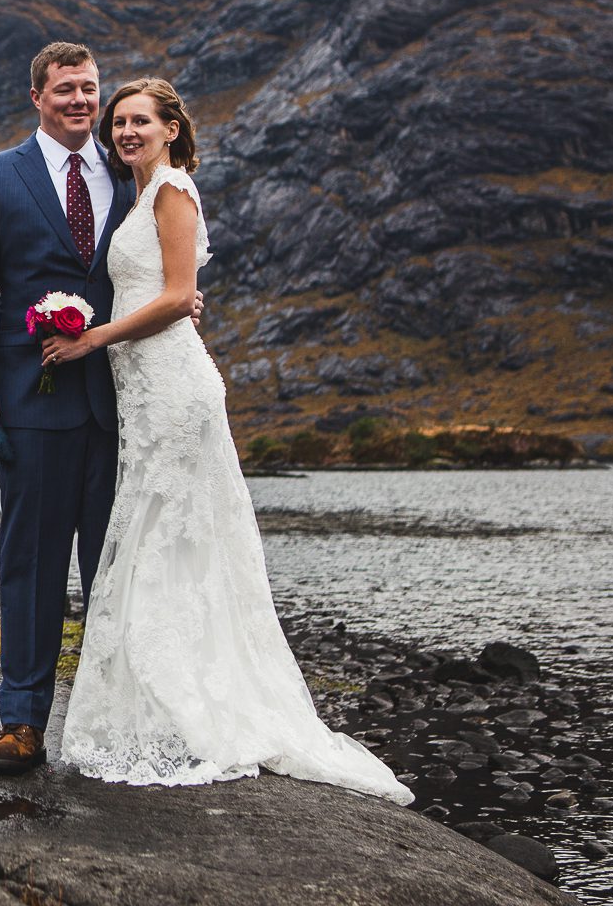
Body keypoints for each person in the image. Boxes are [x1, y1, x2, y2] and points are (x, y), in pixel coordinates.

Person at [41, 78, 411, 803]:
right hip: (145, 389)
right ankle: (166, 698)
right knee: (166, 538)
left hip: (174, 390)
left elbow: (179, 296)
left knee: (167, 535)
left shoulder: (173, 189)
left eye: (140, 121)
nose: (125, 132)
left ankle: (194, 706)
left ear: (172, 128)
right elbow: (169, 291)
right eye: (119, 123)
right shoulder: (140, 196)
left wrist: (93, 339)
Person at [0, 42, 135, 776]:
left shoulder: (127, 174)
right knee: (31, 565)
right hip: (31, 402)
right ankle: (22, 722)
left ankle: (113, 720)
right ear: (38, 95)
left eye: (90, 88)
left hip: (121, 403)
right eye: (66, 89)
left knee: (117, 570)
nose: (82, 101)